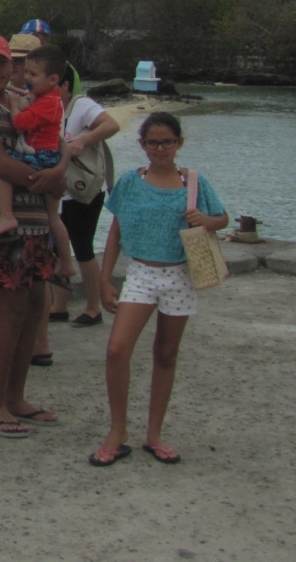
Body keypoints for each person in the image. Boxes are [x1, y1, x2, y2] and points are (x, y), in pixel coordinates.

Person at [89, 112, 227, 467]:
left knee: (166, 354)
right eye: (153, 142)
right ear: (142, 145)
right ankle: (117, 431)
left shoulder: (193, 182)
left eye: (167, 141)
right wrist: (105, 281)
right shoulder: (130, 183)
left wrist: (206, 221)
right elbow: (116, 232)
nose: (160, 148)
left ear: (179, 143)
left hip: (180, 276)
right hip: (141, 274)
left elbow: (222, 218)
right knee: (117, 350)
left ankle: (154, 433)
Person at [0, 34, 68, 439]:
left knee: (35, 305)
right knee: (11, 310)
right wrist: (47, 179)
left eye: (3, 63)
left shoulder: (22, 98)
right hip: (0, 219)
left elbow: (57, 141)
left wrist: (58, 171)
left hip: (36, 219)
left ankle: (17, 397)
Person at [0, 45, 77, 280]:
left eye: (33, 75)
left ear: (53, 79)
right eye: (26, 72)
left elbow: (21, 123)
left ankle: (6, 214)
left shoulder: (48, 103)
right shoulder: (48, 98)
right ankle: (65, 262)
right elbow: (27, 96)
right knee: (53, 217)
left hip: (41, 157)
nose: (26, 78)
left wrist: (14, 107)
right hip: (48, 155)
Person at [48, 64, 120, 328]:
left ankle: (93, 308)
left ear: (65, 84)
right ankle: (59, 305)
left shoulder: (81, 106)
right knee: (56, 247)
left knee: (82, 246)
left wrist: (83, 140)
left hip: (84, 189)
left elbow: (111, 125)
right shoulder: (47, 107)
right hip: (60, 189)